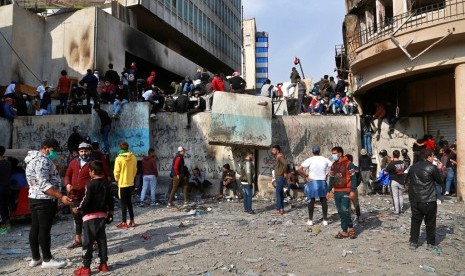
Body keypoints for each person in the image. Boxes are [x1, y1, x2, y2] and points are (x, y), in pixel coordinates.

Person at [25, 138, 72, 268]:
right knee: (44, 229)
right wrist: (61, 196)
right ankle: (47, 259)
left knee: (35, 227)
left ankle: (36, 258)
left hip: (34, 197)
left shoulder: (32, 159)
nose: (54, 153)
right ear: (45, 147)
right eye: (53, 150)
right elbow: (44, 184)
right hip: (44, 199)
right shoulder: (42, 161)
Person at [73, 160, 114, 276]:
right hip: (102, 216)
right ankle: (104, 264)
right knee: (101, 240)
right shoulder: (107, 184)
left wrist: (78, 209)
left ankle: (86, 268)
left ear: (92, 171)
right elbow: (110, 201)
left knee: (88, 242)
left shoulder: (90, 184)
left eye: (89, 171)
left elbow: (86, 200)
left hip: (89, 218)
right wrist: (110, 213)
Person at [65, 142, 106, 250]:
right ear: (78, 152)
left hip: (87, 196)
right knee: (77, 218)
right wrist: (68, 184)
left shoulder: (93, 163)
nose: (84, 153)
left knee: (88, 220)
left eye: (86, 151)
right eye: (81, 151)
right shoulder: (73, 162)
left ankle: (93, 242)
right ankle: (78, 240)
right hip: (74, 195)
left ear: (90, 151)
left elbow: (99, 177)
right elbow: (68, 175)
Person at [406, 149, 444, 251]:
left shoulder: (413, 167)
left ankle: (413, 242)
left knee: (415, 221)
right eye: (432, 156)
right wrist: (440, 169)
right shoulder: (432, 167)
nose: (433, 158)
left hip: (415, 199)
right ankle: (430, 244)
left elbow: (407, 181)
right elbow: (440, 181)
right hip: (429, 199)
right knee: (430, 223)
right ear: (428, 157)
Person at [327, 146, 357, 239]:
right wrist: (328, 190)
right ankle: (344, 231)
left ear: (340, 153)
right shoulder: (333, 165)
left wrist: (352, 191)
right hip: (337, 191)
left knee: (345, 210)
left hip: (346, 191)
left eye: (334, 153)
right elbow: (331, 178)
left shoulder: (349, 164)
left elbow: (354, 178)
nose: (333, 155)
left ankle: (351, 228)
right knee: (340, 212)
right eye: (332, 154)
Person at [297, 145, 332, 226]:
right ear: (319, 151)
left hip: (312, 181)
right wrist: (328, 173)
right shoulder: (325, 159)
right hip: (322, 181)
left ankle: (310, 220)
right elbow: (333, 166)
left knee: (311, 200)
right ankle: (325, 220)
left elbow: (299, 168)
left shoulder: (310, 159)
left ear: (312, 151)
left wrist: (306, 176)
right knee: (323, 201)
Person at [113, 142, 137, 229]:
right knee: (129, 202)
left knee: (123, 203)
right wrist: (131, 178)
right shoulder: (133, 157)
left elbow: (116, 172)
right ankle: (132, 220)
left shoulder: (118, 158)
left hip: (122, 183)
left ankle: (124, 222)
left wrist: (116, 180)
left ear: (120, 148)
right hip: (130, 182)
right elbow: (135, 170)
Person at [385, 150, 405, 215]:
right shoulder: (402, 162)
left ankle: (397, 210)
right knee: (400, 196)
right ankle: (401, 209)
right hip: (401, 181)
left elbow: (386, 172)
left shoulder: (392, 163)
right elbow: (405, 169)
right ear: (399, 155)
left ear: (393, 155)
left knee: (395, 196)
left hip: (394, 181)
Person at [346, 154, 363, 223]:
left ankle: (349, 218)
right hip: (353, 188)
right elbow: (359, 179)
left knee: (348, 203)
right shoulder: (356, 168)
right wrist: (355, 185)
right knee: (356, 203)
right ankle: (359, 216)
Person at [272, 144, 288, 215]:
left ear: (277, 150)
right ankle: (281, 209)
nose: (272, 151)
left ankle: (279, 210)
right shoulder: (278, 157)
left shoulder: (279, 156)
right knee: (280, 194)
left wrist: (285, 172)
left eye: (273, 150)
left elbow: (285, 164)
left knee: (278, 194)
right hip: (279, 177)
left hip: (279, 177)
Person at [0, 146, 12, 231]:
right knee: (5, 205)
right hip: (7, 187)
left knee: (0, 207)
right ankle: (8, 224)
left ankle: (2, 227)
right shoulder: (8, 163)